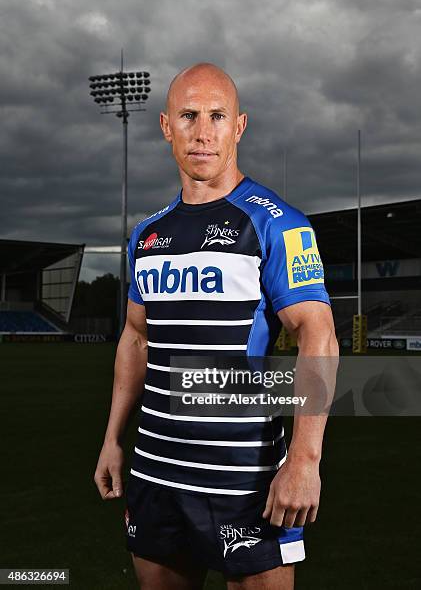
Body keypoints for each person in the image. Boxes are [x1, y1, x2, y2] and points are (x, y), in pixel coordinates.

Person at [94, 62, 339, 590]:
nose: (202, 132)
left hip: (244, 482)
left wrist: (305, 460)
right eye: (187, 116)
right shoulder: (148, 235)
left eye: (216, 116)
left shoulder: (277, 223)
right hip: (155, 473)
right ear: (165, 126)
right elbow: (135, 337)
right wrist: (113, 438)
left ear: (239, 126)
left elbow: (318, 336)